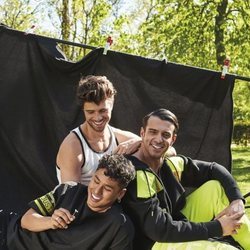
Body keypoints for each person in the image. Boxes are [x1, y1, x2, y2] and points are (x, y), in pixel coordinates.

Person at [121, 108, 250, 250]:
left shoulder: (168, 163)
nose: (158, 139)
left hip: (173, 226)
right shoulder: (135, 172)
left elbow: (213, 169)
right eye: (153, 132)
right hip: (154, 243)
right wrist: (218, 227)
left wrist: (237, 199)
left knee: (215, 188)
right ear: (142, 133)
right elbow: (159, 230)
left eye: (165, 135)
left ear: (173, 140)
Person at [4, 154, 136, 250]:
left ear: (120, 194)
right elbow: (25, 220)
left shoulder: (120, 227)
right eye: (96, 181)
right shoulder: (69, 189)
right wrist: (50, 221)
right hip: (11, 235)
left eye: (107, 188)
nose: (97, 191)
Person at [56, 75, 141, 185]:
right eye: (90, 112)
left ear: (112, 105)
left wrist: (140, 142)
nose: (98, 117)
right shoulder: (73, 146)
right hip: (81, 201)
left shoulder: (121, 139)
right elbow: (71, 198)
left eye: (102, 111)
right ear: (83, 110)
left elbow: (168, 151)